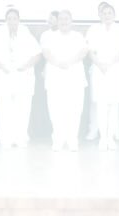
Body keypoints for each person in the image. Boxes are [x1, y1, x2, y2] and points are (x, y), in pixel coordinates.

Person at [0, 7, 40, 149]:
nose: (12, 21)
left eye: (14, 18)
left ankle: (20, 137)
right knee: (4, 108)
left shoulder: (26, 34)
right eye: (9, 18)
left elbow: (37, 55)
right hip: (4, 76)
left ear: (19, 20)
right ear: (6, 20)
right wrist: (2, 66)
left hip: (23, 76)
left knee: (22, 108)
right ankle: (6, 137)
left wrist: (26, 66)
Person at [41, 9, 88, 152]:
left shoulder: (78, 36)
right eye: (61, 19)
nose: (64, 22)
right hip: (55, 76)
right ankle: (59, 139)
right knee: (56, 109)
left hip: (74, 77)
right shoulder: (49, 36)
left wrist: (69, 62)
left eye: (66, 19)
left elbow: (83, 52)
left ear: (71, 21)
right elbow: (46, 53)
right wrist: (58, 63)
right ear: (57, 21)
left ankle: (72, 139)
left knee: (74, 109)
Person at [86, 2, 119, 151]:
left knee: (113, 104)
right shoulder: (93, 30)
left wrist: (110, 63)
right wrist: (100, 64)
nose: (107, 16)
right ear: (100, 15)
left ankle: (110, 137)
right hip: (99, 70)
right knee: (101, 105)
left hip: (115, 69)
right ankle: (103, 138)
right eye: (104, 13)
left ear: (114, 15)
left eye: (110, 13)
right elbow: (90, 51)